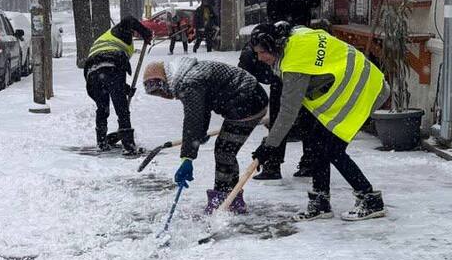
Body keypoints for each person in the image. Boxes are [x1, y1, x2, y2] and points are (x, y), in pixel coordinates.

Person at [249, 23, 388, 221]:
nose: (260, 58)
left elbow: (289, 110)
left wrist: (269, 145)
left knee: (332, 149)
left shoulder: (294, 63)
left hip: (362, 90)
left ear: (275, 46)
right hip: (358, 81)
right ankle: (320, 202)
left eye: (262, 52)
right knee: (315, 143)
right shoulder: (296, 36)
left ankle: (370, 199)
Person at [142, 57, 268, 214]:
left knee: (225, 151)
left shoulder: (189, 82)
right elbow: (203, 107)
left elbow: (193, 118)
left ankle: (224, 199)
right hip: (247, 97)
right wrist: (200, 133)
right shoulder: (185, 75)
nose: (164, 95)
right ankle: (230, 196)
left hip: (248, 102)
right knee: (226, 149)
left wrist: (187, 158)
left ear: (165, 79)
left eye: (162, 90)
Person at [238, 37, 315, 180]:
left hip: (287, 77)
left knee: (284, 120)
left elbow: (285, 114)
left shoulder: (257, 54)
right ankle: (308, 163)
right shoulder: (254, 55)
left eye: (263, 54)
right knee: (299, 119)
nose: (261, 58)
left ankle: (276, 165)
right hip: (284, 78)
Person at [84, 16, 153, 153]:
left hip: (92, 72)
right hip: (111, 68)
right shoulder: (120, 31)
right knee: (122, 109)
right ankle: (128, 145)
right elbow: (128, 19)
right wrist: (145, 32)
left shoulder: (105, 38)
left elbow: (107, 77)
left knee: (102, 108)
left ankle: (102, 142)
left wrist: (125, 89)